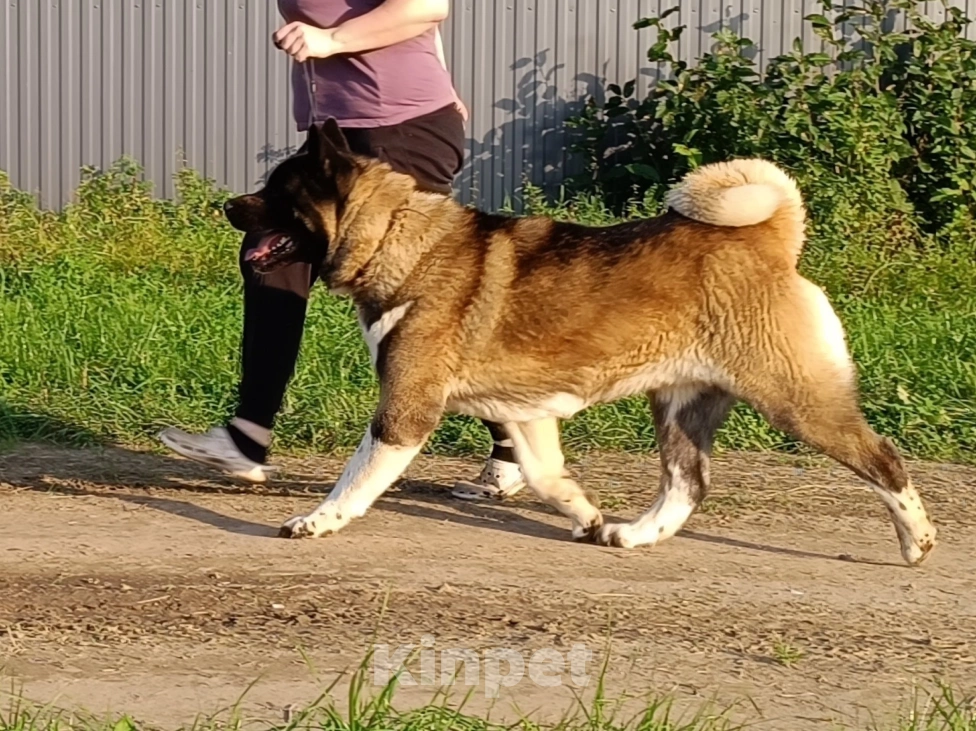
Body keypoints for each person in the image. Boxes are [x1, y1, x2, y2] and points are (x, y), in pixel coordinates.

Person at [159, 0, 525, 501]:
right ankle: (248, 435)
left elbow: (426, 6)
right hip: (341, 131)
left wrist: (330, 41)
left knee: (420, 303)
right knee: (271, 257)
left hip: (399, 126)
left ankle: (514, 443)